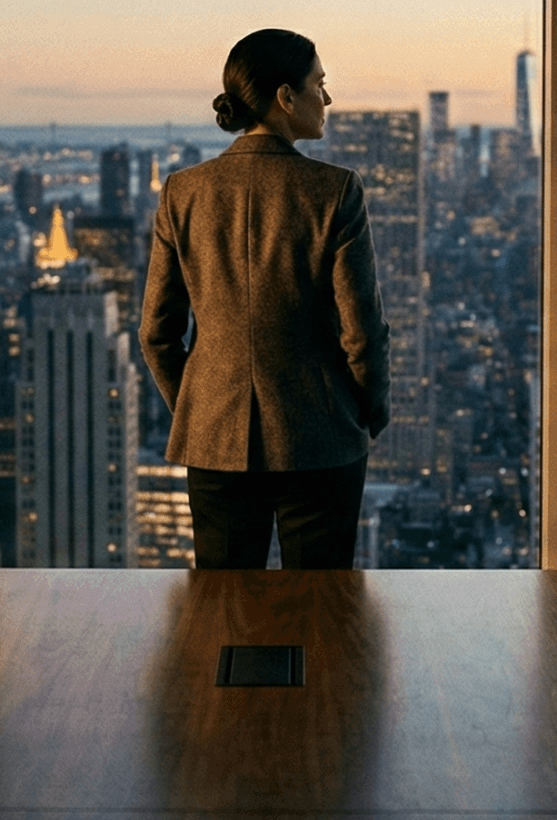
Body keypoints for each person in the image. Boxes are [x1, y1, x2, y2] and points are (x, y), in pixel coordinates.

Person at [140, 28, 389, 570]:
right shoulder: (335, 190)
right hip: (321, 433)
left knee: (223, 605)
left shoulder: (182, 192)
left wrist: (198, 406)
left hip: (214, 435)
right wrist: (368, 411)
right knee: (321, 609)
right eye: (319, 84)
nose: (326, 99)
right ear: (285, 97)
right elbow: (362, 331)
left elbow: (157, 333)